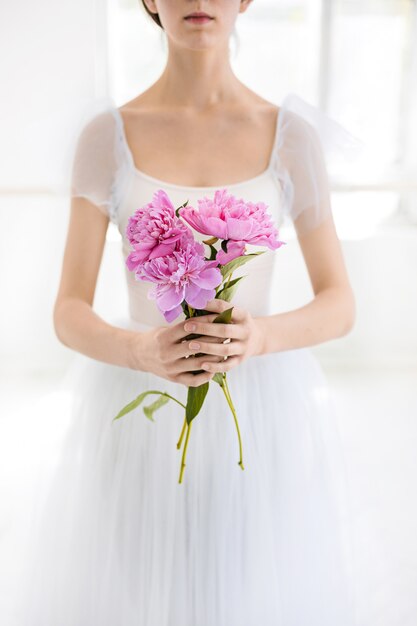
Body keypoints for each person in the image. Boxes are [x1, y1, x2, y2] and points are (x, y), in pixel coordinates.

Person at [15, 1, 358, 624]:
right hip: (138, 407)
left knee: (243, 594)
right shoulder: (107, 136)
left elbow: (339, 302)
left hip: (258, 412)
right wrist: (141, 352)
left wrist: (259, 338)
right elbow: (68, 309)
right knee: (144, 595)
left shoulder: (290, 137)